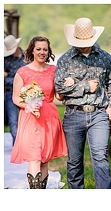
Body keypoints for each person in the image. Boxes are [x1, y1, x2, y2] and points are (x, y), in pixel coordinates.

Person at [54, 17, 111, 189]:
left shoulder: (105, 58)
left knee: (100, 158)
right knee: (74, 160)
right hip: (73, 113)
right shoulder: (65, 60)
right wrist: (85, 86)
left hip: (99, 113)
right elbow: (59, 88)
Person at [10, 36, 68, 189]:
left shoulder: (54, 71)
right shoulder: (22, 72)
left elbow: (58, 96)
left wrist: (66, 86)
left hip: (49, 117)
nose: (42, 52)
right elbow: (15, 98)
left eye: (45, 49)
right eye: (39, 49)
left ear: (48, 51)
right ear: (32, 51)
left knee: (44, 159)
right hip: (30, 117)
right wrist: (28, 105)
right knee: (34, 157)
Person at [4, 35, 27, 146]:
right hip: (10, 93)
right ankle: (17, 145)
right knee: (13, 121)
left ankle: (27, 144)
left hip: (27, 93)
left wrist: (9, 77)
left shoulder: (28, 57)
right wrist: (18, 80)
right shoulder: (5, 60)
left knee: (28, 118)